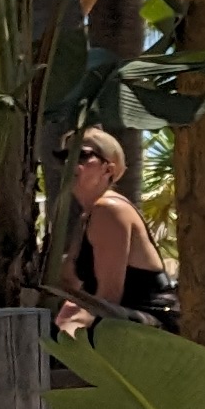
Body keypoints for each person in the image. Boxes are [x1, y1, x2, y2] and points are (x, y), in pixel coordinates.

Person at [57, 127, 171, 329]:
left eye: (82, 155)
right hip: (121, 319)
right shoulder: (87, 216)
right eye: (65, 155)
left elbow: (109, 297)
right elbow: (69, 284)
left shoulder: (108, 210)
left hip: (150, 324)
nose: (70, 162)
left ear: (108, 169)